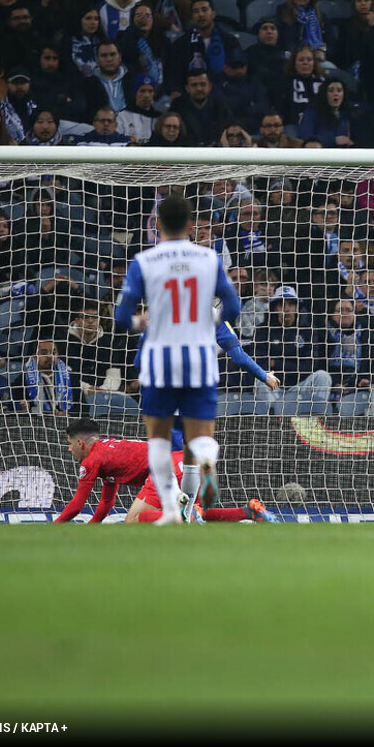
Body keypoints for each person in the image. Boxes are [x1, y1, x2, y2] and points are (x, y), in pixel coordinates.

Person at [113, 194, 242, 525]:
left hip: (160, 359)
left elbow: (122, 315)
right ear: (190, 226)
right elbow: (234, 308)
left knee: (158, 438)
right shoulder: (208, 258)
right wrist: (209, 322)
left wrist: (142, 322)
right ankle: (207, 466)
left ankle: (172, 511)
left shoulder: (145, 260)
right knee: (200, 436)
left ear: (156, 225)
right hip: (199, 357)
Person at [53, 418, 279, 523]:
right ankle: (248, 511)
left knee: (133, 520)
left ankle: (191, 513)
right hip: (186, 462)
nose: (69, 449)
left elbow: (77, 505)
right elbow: (106, 502)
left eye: (70, 444)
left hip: (166, 468)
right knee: (192, 512)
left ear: (81, 444)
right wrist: (92, 527)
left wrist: (55, 526)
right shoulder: (109, 453)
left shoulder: (91, 461)